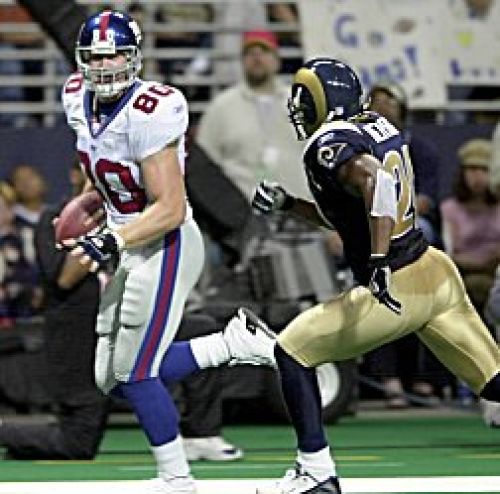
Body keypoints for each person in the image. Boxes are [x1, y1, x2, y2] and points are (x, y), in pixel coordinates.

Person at [248, 57, 500, 494]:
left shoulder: (330, 143)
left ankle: (316, 471)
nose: (297, 106)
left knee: (291, 352)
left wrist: (379, 260)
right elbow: (356, 216)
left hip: (397, 284)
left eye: (305, 96)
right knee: (494, 381)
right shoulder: (374, 126)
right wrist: (290, 205)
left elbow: (376, 183)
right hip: (434, 270)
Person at [60, 10, 275, 493]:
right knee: (110, 378)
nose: (105, 65)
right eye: (95, 56)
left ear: (135, 57)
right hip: (128, 241)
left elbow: (171, 207)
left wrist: (111, 238)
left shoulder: (152, 109)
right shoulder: (75, 96)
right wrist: (90, 202)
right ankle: (230, 345)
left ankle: (176, 477)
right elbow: (104, 168)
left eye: (115, 54)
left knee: (136, 373)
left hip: (164, 243)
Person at [0, 161, 108, 459]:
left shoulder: (130, 217)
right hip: (79, 342)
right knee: (78, 444)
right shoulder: (54, 220)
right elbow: (65, 278)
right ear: (75, 175)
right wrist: (97, 233)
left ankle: (194, 439)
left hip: (127, 332)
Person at [196, 29, 309, 202]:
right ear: (242, 61)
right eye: (250, 53)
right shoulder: (221, 107)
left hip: (296, 207)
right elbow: (203, 165)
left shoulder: (301, 104)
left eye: (264, 51)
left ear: (277, 60)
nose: (257, 58)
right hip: (241, 211)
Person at [440, 138, 500, 313]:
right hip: (462, 273)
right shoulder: (448, 209)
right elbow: (448, 253)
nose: (478, 177)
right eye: (472, 169)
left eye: (484, 170)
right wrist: (478, 263)